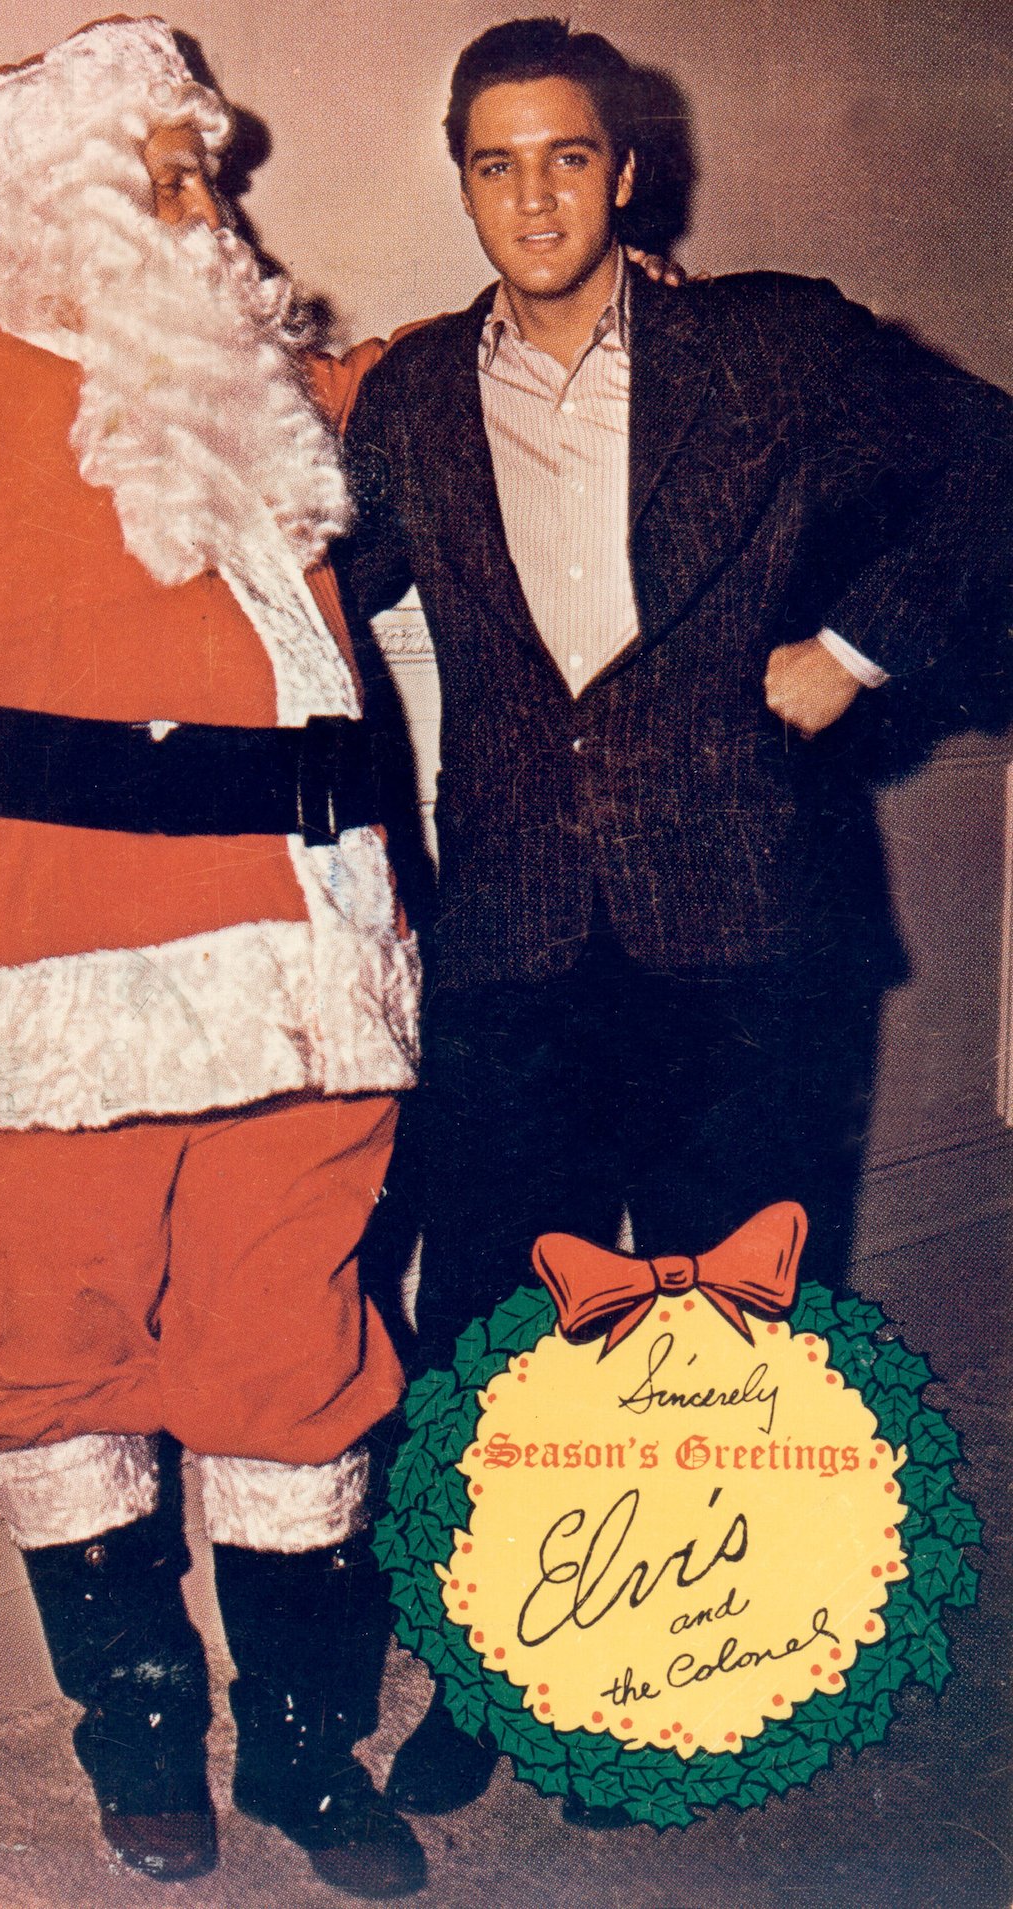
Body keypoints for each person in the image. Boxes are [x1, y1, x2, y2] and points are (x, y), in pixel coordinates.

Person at [338, 15, 1012, 1817]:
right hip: (514, 931)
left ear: (626, 170)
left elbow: (990, 463)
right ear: (462, 180)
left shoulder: (772, 344)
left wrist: (861, 646)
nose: (533, 194)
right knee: (498, 1312)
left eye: (567, 156)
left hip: (745, 926)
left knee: (715, 1333)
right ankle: (490, 1671)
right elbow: (302, 575)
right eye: (496, 163)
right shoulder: (407, 397)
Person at [0, 17, 426, 1896]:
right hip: (37, 1017)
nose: (197, 202)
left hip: (304, 1000)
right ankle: (141, 1747)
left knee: (297, 1363)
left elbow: (426, 396)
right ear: (40, 205)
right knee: (49, 1371)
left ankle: (311, 1760)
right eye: (154, 172)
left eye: (201, 170)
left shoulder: (263, 404)